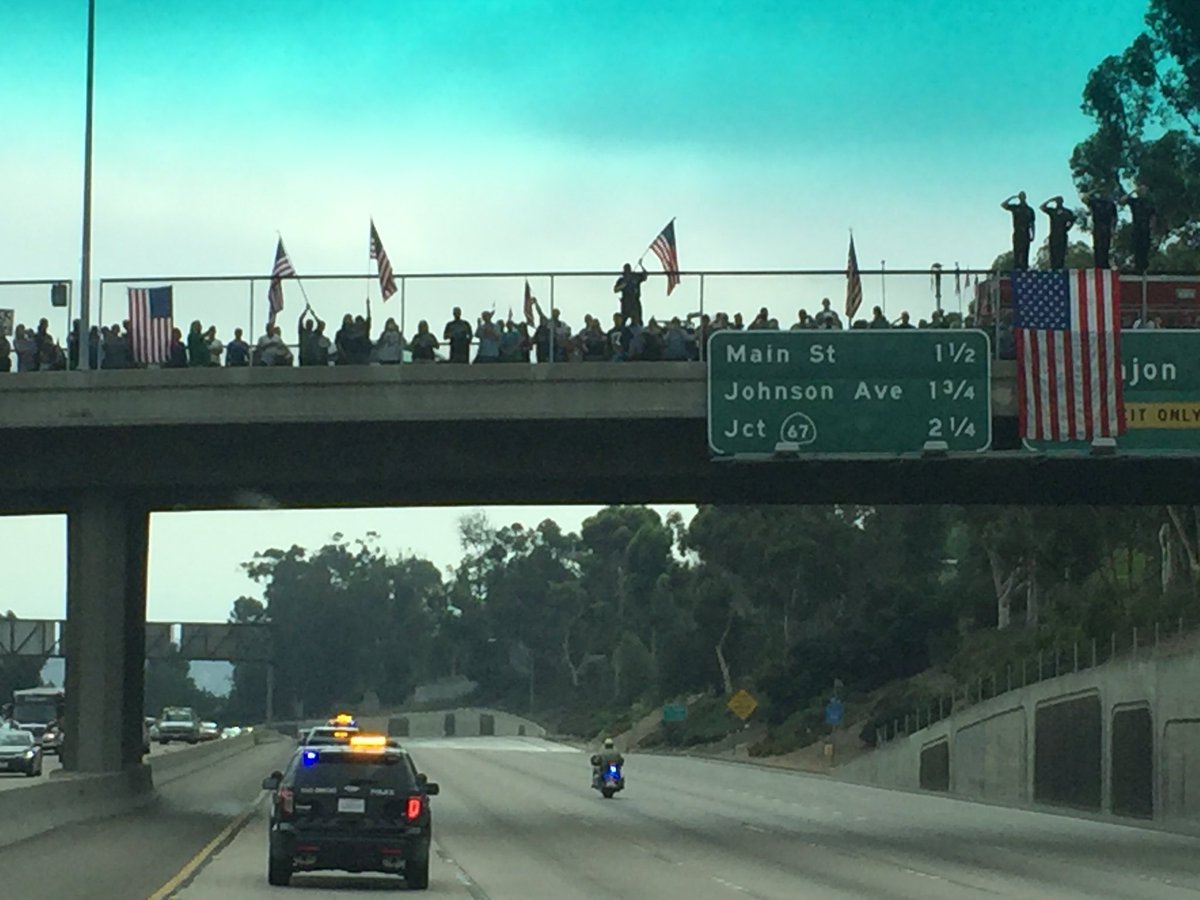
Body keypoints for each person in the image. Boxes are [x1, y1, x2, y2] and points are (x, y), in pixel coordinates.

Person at [1121, 183, 1155, 274]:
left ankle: (1144, 268)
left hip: (1146, 228)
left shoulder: (1149, 203)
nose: (1143, 191)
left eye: (1144, 190)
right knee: (1137, 247)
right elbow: (1123, 200)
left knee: (1145, 248)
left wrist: (1152, 227)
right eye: (1141, 190)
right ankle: (1137, 267)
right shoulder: (1134, 201)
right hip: (1137, 227)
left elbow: (1153, 216)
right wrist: (1133, 191)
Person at [1001, 191, 1035, 270]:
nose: (1022, 198)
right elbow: (1003, 205)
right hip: (1017, 232)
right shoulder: (1015, 208)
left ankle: (1025, 267)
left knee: (1025, 251)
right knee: (1017, 251)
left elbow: (1032, 223)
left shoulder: (1029, 210)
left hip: (1026, 232)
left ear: (1025, 197)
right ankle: (1017, 267)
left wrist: (1033, 234)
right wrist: (1012, 197)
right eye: (1020, 196)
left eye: (1023, 196)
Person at [1040, 196, 1076, 270]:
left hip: (1062, 234)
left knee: (1061, 253)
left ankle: (1060, 267)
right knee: (1053, 253)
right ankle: (1053, 268)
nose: (1059, 202)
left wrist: (1068, 228)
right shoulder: (1052, 211)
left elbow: (1073, 219)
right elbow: (1042, 207)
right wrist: (1050, 200)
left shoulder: (1067, 212)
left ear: (1062, 201)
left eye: (1060, 200)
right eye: (1057, 201)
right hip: (1053, 234)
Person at [1085, 190, 1118, 269]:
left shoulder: (1111, 204)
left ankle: (1105, 264)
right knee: (1097, 245)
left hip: (1107, 226)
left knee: (1106, 246)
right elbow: (1084, 198)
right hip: (1097, 225)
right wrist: (1094, 190)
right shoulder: (1095, 202)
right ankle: (1098, 265)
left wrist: (1113, 229)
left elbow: (1114, 218)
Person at [614, 263, 648, 327]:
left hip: (635, 300)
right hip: (626, 302)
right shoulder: (622, 280)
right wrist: (624, 284)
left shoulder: (635, 277)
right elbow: (615, 290)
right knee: (624, 318)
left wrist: (641, 265)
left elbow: (645, 276)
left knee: (638, 319)